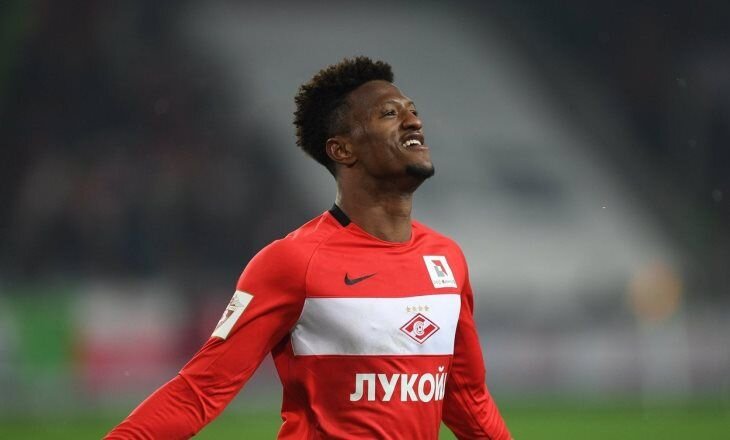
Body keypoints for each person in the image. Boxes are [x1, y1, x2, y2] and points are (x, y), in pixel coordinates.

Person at [106, 56, 512, 440]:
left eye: (413, 111)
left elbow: (466, 398)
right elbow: (199, 392)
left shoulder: (446, 259)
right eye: (390, 114)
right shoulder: (293, 262)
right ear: (342, 149)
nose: (414, 121)